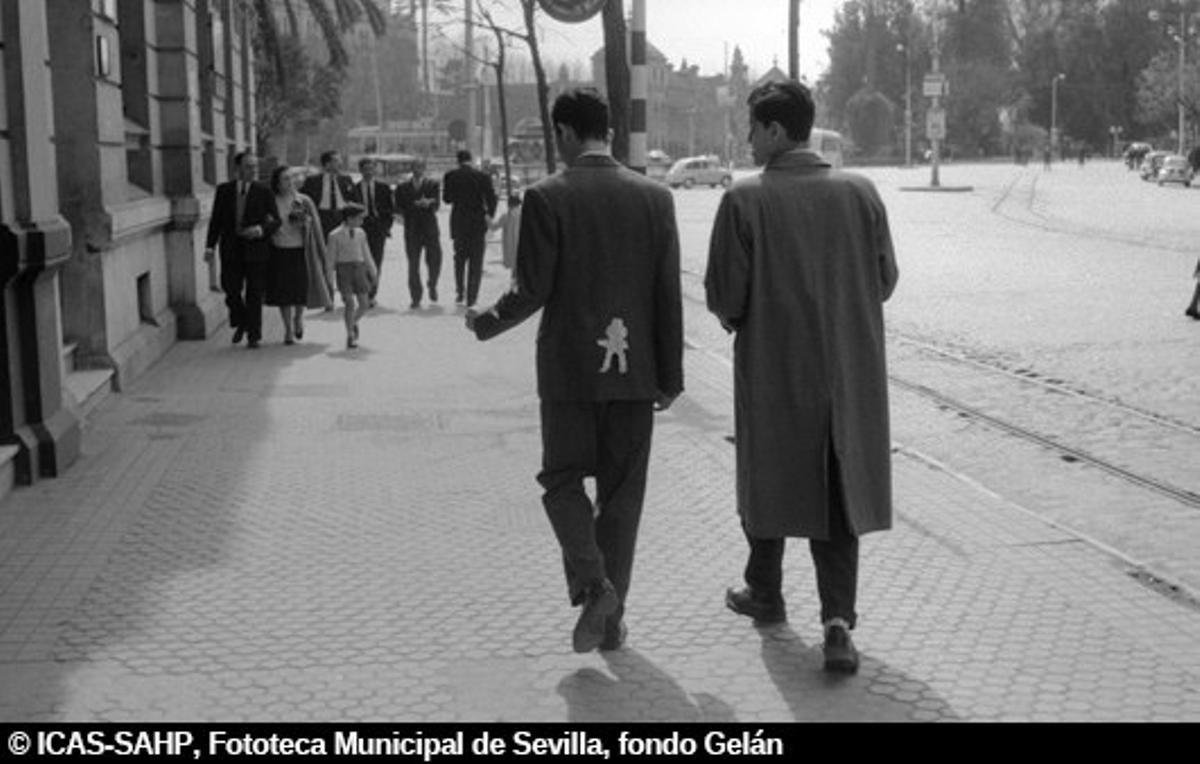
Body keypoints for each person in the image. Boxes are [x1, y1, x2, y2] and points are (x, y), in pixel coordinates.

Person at [465, 88, 684, 654]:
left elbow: (532, 288)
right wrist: (671, 375)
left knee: (562, 481)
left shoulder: (547, 197)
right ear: (607, 130)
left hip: (569, 372)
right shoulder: (656, 198)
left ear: (562, 132)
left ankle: (595, 586)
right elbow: (667, 294)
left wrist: (486, 320)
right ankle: (610, 623)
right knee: (622, 497)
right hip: (636, 372)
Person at [705, 79, 899, 675]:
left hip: (773, 372)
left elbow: (725, 297)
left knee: (768, 478)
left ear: (775, 132)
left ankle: (764, 591)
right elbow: (886, 280)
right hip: (848, 372)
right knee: (838, 495)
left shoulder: (745, 201)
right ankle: (837, 626)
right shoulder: (861, 193)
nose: (746, 139)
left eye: (752, 128)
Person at [204, 151, 279, 349]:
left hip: (256, 249)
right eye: (248, 167)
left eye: (255, 167)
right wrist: (209, 246)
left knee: (254, 293)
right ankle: (242, 320)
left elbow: (276, 220)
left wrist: (261, 229)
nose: (253, 171)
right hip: (231, 248)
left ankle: (254, 335)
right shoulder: (224, 191)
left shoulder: (264, 191)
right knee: (231, 290)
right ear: (237, 169)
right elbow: (216, 221)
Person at [266, 166, 330, 344]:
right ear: (277, 183)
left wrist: (306, 224)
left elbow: (316, 227)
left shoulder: (303, 200)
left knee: (300, 290)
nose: (290, 182)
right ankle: (287, 329)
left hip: (301, 251)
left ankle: (298, 318)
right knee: (283, 293)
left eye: (291, 178)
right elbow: (266, 223)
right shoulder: (271, 200)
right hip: (279, 250)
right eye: (285, 179)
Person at [442, 149, 498, 307]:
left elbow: (447, 199)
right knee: (476, 261)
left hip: (459, 222)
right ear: (470, 160)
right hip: (477, 223)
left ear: (457, 160)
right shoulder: (482, 177)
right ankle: (472, 297)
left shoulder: (450, 176)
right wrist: (489, 215)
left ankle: (460, 291)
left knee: (459, 259)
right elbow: (492, 199)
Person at [325, 203, 378, 349]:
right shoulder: (334, 235)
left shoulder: (361, 233)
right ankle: (350, 335)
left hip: (359, 268)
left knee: (364, 303)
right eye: (359, 218)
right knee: (349, 303)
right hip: (344, 270)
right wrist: (329, 279)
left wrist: (373, 272)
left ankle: (353, 322)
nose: (362, 221)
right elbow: (330, 259)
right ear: (349, 218)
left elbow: (366, 254)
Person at [394, 158, 443, 309]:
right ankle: (415, 297)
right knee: (413, 264)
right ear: (412, 169)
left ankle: (432, 283)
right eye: (415, 167)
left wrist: (429, 203)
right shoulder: (402, 187)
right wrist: (410, 208)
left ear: (424, 168)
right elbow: (398, 207)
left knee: (435, 260)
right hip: (412, 229)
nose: (418, 169)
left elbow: (437, 204)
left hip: (430, 228)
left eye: (421, 167)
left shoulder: (433, 184)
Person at [353, 157, 395, 307]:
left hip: (378, 228)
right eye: (366, 169)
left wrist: (386, 227)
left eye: (371, 169)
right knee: (361, 262)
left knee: (376, 261)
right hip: (360, 228)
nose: (369, 172)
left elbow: (390, 210)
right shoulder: (354, 188)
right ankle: (362, 292)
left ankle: (371, 294)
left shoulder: (383, 188)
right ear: (361, 171)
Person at [301, 150, 356, 241]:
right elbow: (303, 200)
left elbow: (355, 199)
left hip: (342, 217)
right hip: (321, 218)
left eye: (340, 160)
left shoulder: (346, 179)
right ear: (327, 164)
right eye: (336, 161)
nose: (340, 163)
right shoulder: (312, 181)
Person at [490, 192, 523, 272]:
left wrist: (487, 218)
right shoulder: (523, 215)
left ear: (509, 204)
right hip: (522, 249)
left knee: (514, 271)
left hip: (510, 250)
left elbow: (493, 227)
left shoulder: (506, 216)